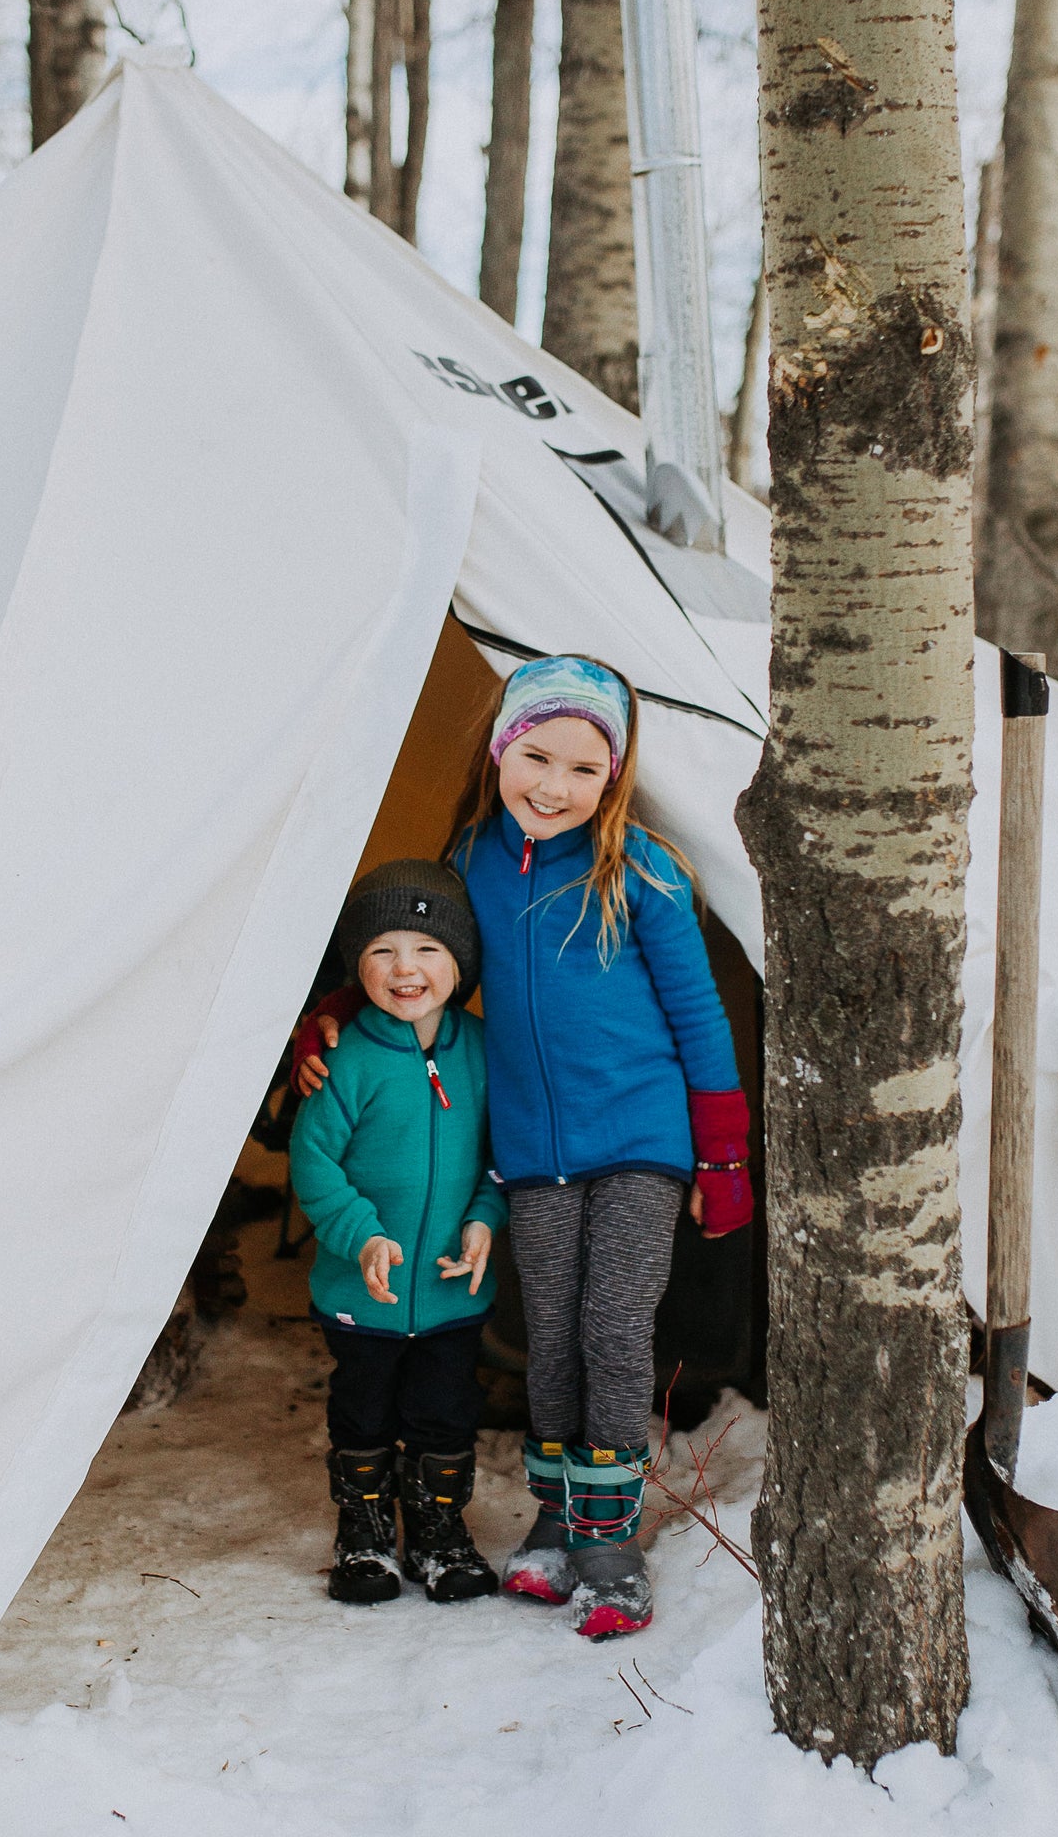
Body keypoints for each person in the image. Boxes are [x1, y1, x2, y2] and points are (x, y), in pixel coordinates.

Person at [296, 655, 752, 1638]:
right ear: (500, 751)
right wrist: (336, 1014)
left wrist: (721, 1159)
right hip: (534, 1149)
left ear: (615, 778)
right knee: (547, 1337)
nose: (553, 785)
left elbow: (703, 1020)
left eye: (583, 770)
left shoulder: (643, 872)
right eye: (535, 757)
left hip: (640, 1141)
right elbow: (428, 971)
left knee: (613, 1332)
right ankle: (555, 1517)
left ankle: (610, 1540)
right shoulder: (471, 864)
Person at [289, 860, 508, 1606]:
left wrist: (484, 1219)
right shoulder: (343, 1058)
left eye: (428, 950)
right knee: (364, 1409)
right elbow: (313, 1159)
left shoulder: (480, 1051)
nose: (405, 969)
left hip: (451, 1290)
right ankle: (365, 1532)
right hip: (364, 1291)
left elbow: (498, 1155)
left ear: (461, 964)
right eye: (384, 950)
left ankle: (440, 1534)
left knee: (445, 1413)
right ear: (358, 965)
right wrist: (363, 1235)